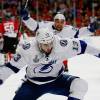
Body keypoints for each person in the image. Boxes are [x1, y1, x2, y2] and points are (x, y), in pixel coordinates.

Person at [1, 28, 100, 99]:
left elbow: (84, 46)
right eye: (45, 44)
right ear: (38, 43)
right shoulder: (28, 50)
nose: (49, 47)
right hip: (33, 85)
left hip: (57, 80)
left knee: (80, 85)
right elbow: (10, 68)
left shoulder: (61, 44)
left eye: (50, 43)